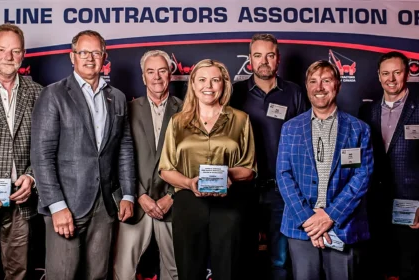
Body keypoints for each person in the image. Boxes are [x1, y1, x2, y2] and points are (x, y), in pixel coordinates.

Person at [30, 30, 135, 280]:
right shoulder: (53, 95)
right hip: (66, 204)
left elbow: (125, 149)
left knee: (98, 275)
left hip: (105, 206)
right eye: (83, 52)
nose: (90, 58)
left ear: (104, 57)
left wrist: (128, 194)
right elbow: (41, 155)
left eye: (96, 52)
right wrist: (56, 206)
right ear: (72, 56)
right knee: (63, 275)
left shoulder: (117, 98)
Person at [159, 59, 256, 280]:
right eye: (202, 80)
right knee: (189, 271)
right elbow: (166, 169)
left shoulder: (241, 119)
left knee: (230, 271)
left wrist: (228, 175)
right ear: (193, 84)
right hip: (188, 204)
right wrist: (189, 183)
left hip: (230, 204)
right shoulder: (177, 122)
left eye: (215, 80)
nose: (209, 86)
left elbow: (249, 169)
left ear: (224, 84)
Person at [276, 60, 373, 280]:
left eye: (326, 81)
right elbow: (283, 175)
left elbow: (362, 176)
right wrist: (309, 220)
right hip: (301, 227)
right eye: (313, 81)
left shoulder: (358, 129)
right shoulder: (290, 128)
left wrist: (330, 216)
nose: (319, 87)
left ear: (338, 85)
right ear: (307, 87)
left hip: (343, 224)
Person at [230, 33, 308, 280]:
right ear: (249, 60)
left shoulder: (295, 93)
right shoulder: (234, 92)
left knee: (279, 260)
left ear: (278, 59)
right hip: (242, 189)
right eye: (258, 55)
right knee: (243, 256)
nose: (264, 61)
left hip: (281, 190)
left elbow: (305, 142)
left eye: (270, 55)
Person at [113, 50, 181, 280]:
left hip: (171, 204)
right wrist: (138, 195)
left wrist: (171, 196)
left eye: (162, 70)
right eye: (150, 72)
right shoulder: (128, 109)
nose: (157, 77)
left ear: (170, 74)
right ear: (143, 77)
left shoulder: (186, 111)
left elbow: (192, 162)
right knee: (123, 271)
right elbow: (117, 157)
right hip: (136, 203)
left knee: (175, 272)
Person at [0, 23, 42, 279]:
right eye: (2, 49)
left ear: (23, 54)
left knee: (18, 272)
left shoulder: (38, 93)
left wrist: (32, 176)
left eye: (15, 51)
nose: (8, 57)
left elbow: (46, 147)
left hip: (20, 201)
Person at [359, 51, 419, 280]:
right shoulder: (366, 111)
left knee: (408, 268)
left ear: (407, 74)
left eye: (397, 72)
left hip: (411, 206)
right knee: (375, 267)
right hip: (373, 204)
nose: (391, 78)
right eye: (385, 73)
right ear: (378, 76)